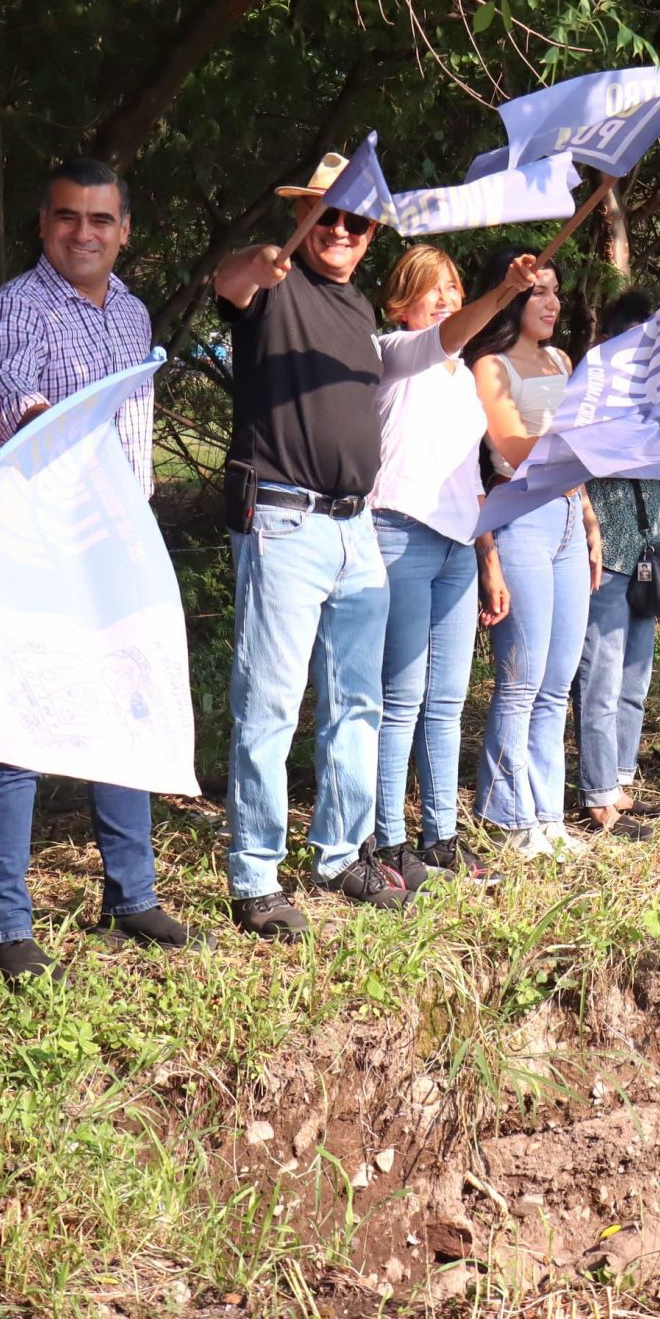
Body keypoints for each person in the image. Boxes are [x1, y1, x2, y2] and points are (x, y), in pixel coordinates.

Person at [0, 158, 199, 983]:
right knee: (24, 732)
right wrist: (45, 418)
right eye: (67, 216)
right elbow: (5, 391)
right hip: (34, 546)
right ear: (43, 223)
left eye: (101, 219)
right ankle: (8, 928)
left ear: (125, 230)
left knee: (126, 708)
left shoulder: (131, 312)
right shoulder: (15, 308)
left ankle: (132, 897)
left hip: (117, 546)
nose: (84, 233)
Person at [207, 158, 444, 938]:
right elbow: (229, 282)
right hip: (282, 521)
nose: (341, 230)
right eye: (327, 214)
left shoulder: (357, 309)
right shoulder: (274, 284)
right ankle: (255, 878)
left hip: (355, 528)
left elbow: (434, 346)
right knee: (269, 704)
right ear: (303, 214)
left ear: (372, 235)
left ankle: (341, 854)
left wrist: (505, 294)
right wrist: (258, 260)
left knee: (357, 703)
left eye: (358, 220)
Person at [367, 245, 537, 889]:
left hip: (458, 547)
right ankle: (388, 840)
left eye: (453, 287)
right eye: (429, 288)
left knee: (445, 701)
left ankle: (439, 836)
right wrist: (505, 291)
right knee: (399, 699)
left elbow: (472, 476)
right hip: (399, 534)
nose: (444, 298)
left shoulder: (464, 379)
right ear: (400, 302)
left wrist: (487, 557)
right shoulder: (391, 354)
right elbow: (446, 335)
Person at [467, 252, 601, 858]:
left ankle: (547, 815)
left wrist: (590, 519)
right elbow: (514, 448)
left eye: (555, 293)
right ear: (514, 298)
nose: (552, 303)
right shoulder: (490, 365)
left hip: (569, 514)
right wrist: (582, 441)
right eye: (539, 292)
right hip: (521, 514)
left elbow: (574, 456)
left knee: (557, 680)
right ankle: (507, 815)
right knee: (521, 678)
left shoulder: (562, 360)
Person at [571, 290, 660, 838]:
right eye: (633, 342)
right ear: (608, 341)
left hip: (649, 550)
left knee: (635, 677)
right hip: (604, 550)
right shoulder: (589, 393)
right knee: (600, 678)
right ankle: (598, 795)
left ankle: (621, 780)